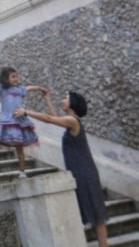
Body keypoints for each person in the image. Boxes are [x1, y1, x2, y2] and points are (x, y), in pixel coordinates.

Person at [13, 91, 109, 247]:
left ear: (73, 104)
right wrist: (48, 100)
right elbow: (55, 117)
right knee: (95, 214)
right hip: (82, 172)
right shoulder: (70, 121)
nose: (63, 100)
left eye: (66, 98)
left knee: (97, 215)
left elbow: (49, 119)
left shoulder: (73, 121)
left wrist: (26, 111)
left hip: (85, 174)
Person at [0, 67, 47, 180]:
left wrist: (40, 88)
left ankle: (22, 172)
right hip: (5, 120)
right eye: (13, 77)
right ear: (6, 79)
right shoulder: (2, 90)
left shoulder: (20, 90)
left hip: (18, 121)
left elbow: (30, 88)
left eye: (16, 76)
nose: (16, 79)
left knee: (19, 147)